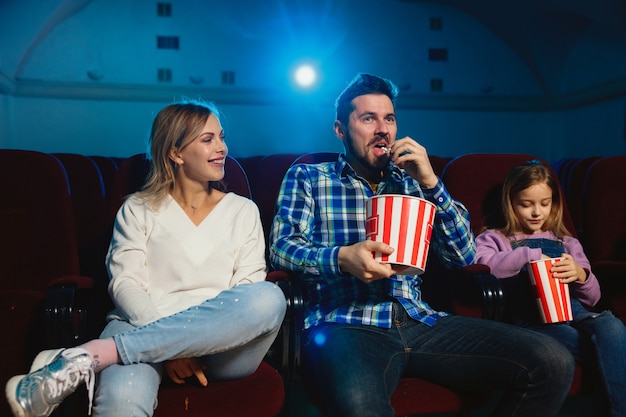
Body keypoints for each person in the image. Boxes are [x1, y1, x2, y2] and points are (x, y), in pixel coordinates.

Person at [269, 73, 575, 417]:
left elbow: (463, 256)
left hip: (419, 319)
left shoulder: (413, 181)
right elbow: (283, 248)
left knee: (552, 361)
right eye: (368, 118)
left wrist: (431, 181)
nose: (382, 128)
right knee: (360, 406)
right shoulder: (310, 177)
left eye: (389, 118)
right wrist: (343, 258)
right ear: (340, 129)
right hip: (346, 323)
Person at [5, 99, 287, 417]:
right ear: (175, 152)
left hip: (221, 347)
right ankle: (105, 355)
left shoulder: (242, 210)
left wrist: (184, 344)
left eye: (221, 137)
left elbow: (246, 289)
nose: (222, 148)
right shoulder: (137, 208)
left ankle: (91, 355)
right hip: (138, 325)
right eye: (208, 139)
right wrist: (168, 349)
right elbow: (125, 284)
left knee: (267, 297)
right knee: (122, 402)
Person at [475, 159, 626, 417]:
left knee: (612, 327)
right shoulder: (494, 237)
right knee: (599, 346)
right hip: (532, 319)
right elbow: (483, 265)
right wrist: (527, 256)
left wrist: (580, 275)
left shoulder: (565, 241)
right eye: (526, 204)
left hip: (573, 309)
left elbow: (593, 298)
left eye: (545, 204)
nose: (537, 212)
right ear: (510, 203)